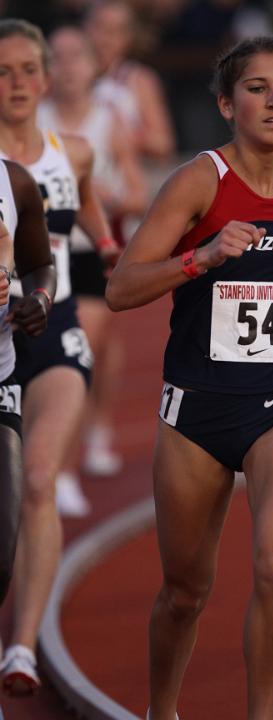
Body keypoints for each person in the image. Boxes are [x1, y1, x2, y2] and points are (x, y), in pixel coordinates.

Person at [107, 35, 273, 720]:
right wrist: (202, 258)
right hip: (194, 413)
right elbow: (122, 287)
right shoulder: (200, 182)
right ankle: (161, 710)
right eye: (257, 87)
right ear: (228, 104)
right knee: (184, 594)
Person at [0, 19, 119, 695]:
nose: (17, 84)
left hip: (57, 331)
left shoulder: (71, 151)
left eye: (27, 70)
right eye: (3, 71)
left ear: (47, 78)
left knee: (40, 477)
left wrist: (106, 247)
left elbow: (91, 207)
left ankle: (21, 646)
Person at [38, 25, 148, 514]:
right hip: (36, 254)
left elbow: (139, 193)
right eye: (55, 58)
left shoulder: (108, 121)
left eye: (74, 57)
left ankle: (65, 469)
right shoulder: (29, 118)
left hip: (91, 254)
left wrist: (102, 196)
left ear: (90, 65)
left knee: (78, 350)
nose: (65, 68)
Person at [0, 159, 55, 718]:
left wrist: (40, 301)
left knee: (0, 552)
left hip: (1, 376)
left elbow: (41, 263)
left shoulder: (13, 182)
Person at [84, 0, 176, 162]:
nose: (106, 39)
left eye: (116, 31)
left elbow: (163, 144)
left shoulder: (139, 79)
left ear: (128, 37)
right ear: (85, 28)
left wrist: (129, 136)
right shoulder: (64, 76)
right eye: (100, 27)